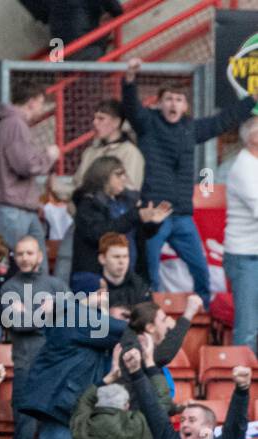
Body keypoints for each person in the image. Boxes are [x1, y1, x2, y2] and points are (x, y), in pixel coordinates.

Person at [123, 57, 255, 305]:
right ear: (159, 103)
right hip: (154, 215)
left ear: (186, 106)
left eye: (179, 99)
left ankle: (202, 309)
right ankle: (151, 315)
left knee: (200, 270)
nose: (174, 104)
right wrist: (129, 79)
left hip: (183, 215)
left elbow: (221, 122)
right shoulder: (148, 124)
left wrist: (251, 101)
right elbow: (131, 108)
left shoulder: (190, 128)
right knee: (150, 272)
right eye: (169, 99)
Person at [17, 290, 127, 439]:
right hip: (63, 414)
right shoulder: (75, 319)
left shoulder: (80, 326)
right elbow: (123, 331)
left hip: (72, 413)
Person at [0, 235, 66, 439]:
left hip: (54, 369)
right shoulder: (9, 288)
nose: (25, 258)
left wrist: (29, 313)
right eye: (20, 254)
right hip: (26, 371)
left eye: (29, 253)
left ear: (39, 255)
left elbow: (73, 319)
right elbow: (17, 324)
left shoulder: (55, 285)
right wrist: (46, 312)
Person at [0, 81, 59, 268]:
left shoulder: (8, 123)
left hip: (13, 208)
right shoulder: (16, 124)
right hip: (12, 209)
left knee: (32, 266)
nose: (42, 108)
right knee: (24, 267)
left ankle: (35, 297)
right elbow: (26, 165)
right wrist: (48, 156)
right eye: (41, 102)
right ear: (32, 101)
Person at [71, 157, 159, 279]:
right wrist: (134, 216)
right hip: (97, 276)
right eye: (118, 175)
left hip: (130, 275)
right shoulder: (89, 204)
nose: (124, 179)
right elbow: (100, 234)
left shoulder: (128, 201)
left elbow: (139, 236)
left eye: (124, 175)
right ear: (103, 177)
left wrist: (152, 222)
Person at [224, 116, 258, 353]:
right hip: (245, 257)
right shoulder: (245, 167)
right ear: (254, 138)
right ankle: (242, 388)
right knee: (247, 328)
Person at [72, 99, 145, 191]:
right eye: (94, 118)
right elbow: (77, 185)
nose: (95, 123)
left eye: (101, 118)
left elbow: (130, 190)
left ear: (116, 122)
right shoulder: (90, 152)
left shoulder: (130, 153)